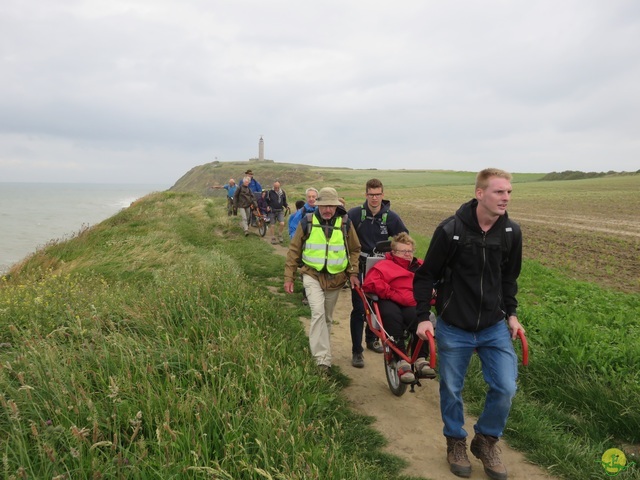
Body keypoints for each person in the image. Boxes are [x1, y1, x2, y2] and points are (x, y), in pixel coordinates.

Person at [413, 168, 524, 480]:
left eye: (509, 192)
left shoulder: (511, 233)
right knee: (452, 387)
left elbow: (508, 279)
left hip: (493, 325)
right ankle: (455, 442)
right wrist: (423, 317)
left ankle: (486, 441)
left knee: (505, 386)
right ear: (480, 194)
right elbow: (426, 276)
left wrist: (512, 315)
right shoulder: (451, 231)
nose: (506, 198)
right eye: (499, 192)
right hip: (453, 326)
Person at [284, 187, 361, 373]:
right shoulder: (308, 221)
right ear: (318, 205)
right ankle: (322, 360)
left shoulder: (345, 224)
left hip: (336, 279)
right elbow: (294, 250)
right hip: (312, 275)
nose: (327, 210)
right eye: (324, 206)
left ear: (337, 206)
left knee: (326, 317)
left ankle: (323, 352)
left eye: (331, 206)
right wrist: (290, 276)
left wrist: (353, 273)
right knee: (318, 312)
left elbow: (354, 250)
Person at [347, 178, 409, 369]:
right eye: (371, 195)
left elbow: (404, 239)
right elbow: (343, 239)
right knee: (359, 308)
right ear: (366, 194)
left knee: (378, 306)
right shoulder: (355, 215)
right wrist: (351, 270)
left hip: (382, 267)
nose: (375, 198)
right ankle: (357, 351)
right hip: (360, 264)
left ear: (383, 194)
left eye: (378, 194)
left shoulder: (391, 217)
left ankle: (371, 339)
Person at [361, 232, 436, 383]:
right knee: (391, 316)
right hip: (389, 299)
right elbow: (370, 284)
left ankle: (421, 359)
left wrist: (432, 291)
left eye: (410, 251)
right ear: (393, 252)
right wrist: (394, 294)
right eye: (403, 251)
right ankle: (401, 359)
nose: (407, 254)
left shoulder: (420, 266)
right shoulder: (383, 265)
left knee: (420, 319)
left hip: (412, 302)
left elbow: (431, 283)